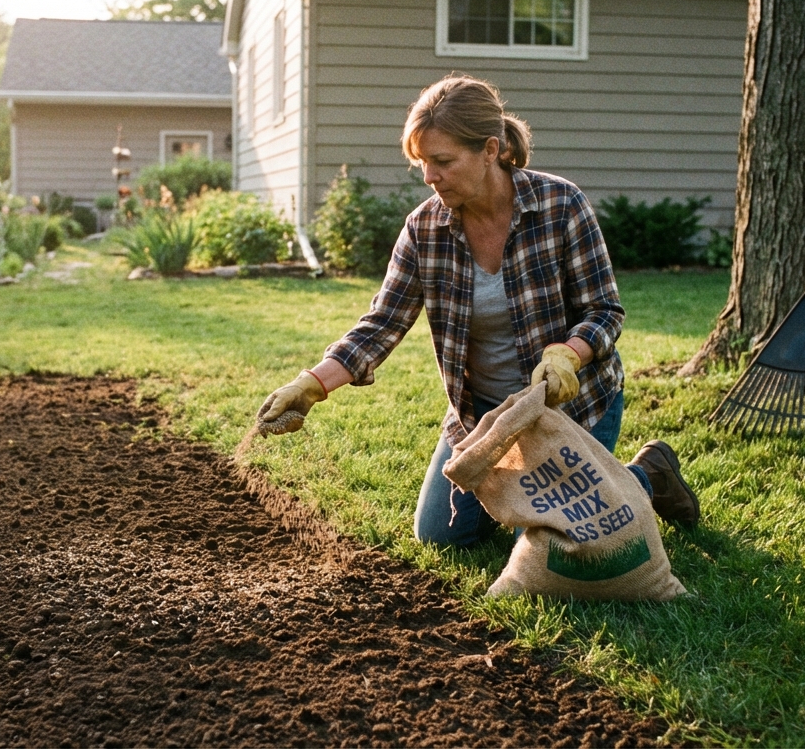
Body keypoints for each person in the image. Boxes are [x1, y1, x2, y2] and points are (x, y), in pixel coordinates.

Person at [257, 75, 699, 548]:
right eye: (422, 163)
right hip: (482, 415)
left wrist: (567, 354)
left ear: (490, 150)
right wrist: (312, 384)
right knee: (440, 537)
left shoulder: (560, 205)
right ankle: (525, 492)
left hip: (569, 407)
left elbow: (605, 310)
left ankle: (650, 476)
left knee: (559, 538)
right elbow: (381, 324)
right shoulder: (424, 229)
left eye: (443, 161)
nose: (429, 176)